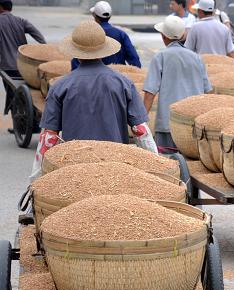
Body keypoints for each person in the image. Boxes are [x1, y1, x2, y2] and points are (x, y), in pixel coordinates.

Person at [31, 20, 156, 180]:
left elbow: (49, 137)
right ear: (104, 51)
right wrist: (155, 164)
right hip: (116, 164)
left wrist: (35, 179)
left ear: (75, 52)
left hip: (74, 166)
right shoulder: (123, 83)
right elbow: (141, 131)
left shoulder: (60, 86)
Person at [143, 15, 211, 152]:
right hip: (193, 124)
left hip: (168, 124)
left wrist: (141, 121)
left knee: (168, 161)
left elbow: (150, 93)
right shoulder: (196, 58)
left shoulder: (160, 57)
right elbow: (208, 92)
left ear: (164, 36)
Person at [0, 0, 45, 117]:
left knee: (12, 94)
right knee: (27, 93)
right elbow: (38, 34)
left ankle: (18, 121)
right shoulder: (20, 20)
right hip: (24, 66)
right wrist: (45, 48)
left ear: (1, 7)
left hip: (7, 67)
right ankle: (28, 116)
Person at [71, 1, 141, 70]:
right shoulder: (121, 34)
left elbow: (77, 61)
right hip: (117, 76)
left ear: (94, 15)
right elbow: (134, 59)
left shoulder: (89, 34)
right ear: (110, 16)